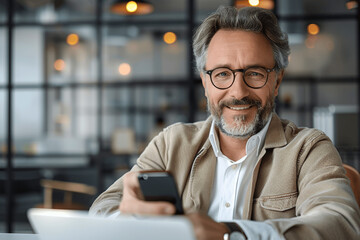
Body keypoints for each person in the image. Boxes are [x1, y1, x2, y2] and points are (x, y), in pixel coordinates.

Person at [90, 6, 360, 240]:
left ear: (277, 81)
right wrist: (132, 220)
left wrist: (229, 234)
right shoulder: (171, 143)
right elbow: (102, 211)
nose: (238, 91)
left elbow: (340, 225)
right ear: (206, 82)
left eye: (255, 73)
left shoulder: (309, 149)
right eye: (222, 74)